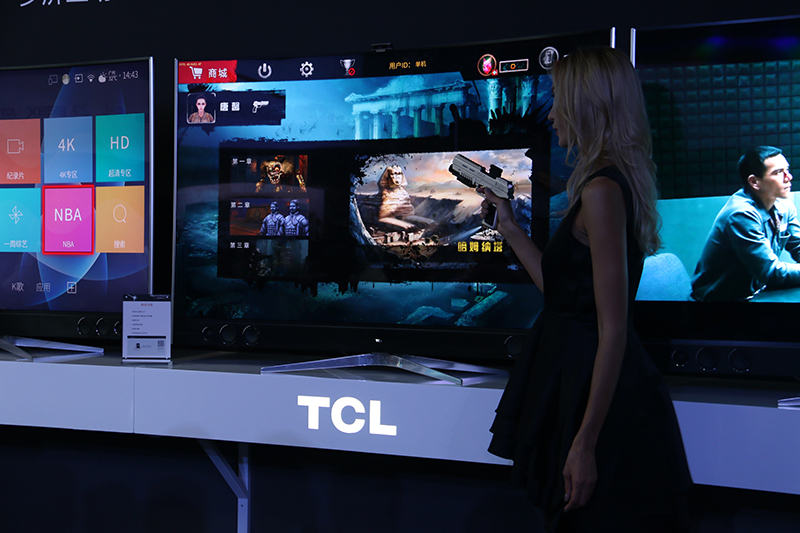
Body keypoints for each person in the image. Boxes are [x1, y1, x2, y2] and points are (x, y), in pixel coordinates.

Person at [482, 47, 691, 532]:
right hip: (572, 377)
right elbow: (563, 293)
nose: (552, 113)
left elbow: (613, 328)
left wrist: (585, 440)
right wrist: (508, 226)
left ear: (587, 105)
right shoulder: (602, 185)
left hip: (592, 391)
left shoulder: (601, 191)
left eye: (559, 99)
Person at [691, 146, 800, 301]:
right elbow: (770, 272)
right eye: (778, 172)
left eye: (787, 170)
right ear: (754, 182)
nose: (789, 177)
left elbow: (797, 246)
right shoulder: (741, 214)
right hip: (718, 304)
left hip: (755, 293)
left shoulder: (784, 205)